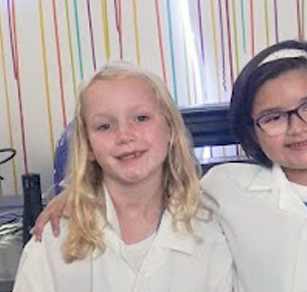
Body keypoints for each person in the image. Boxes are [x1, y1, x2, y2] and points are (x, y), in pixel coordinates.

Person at [33, 42, 307, 292]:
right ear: (253, 131)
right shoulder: (227, 188)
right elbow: (150, 185)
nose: (296, 126)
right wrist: (77, 192)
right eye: (273, 116)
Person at [13, 63, 234, 292]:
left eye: (141, 118)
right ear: (88, 146)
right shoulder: (56, 237)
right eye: (105, 126)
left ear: (170, 130)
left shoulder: (211, 228)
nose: (125, 135)